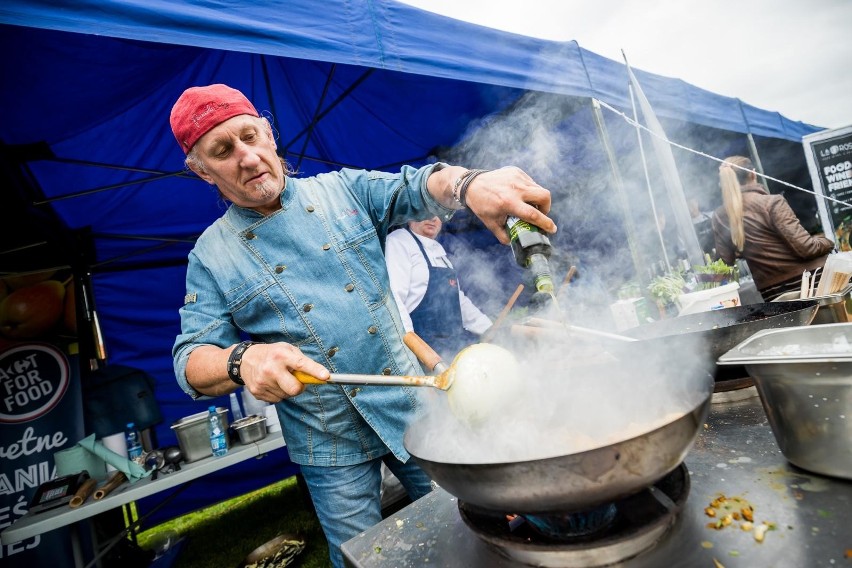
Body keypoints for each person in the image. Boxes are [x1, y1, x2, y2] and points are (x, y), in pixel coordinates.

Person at [168, 84, 556, 567]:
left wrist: (467, 184)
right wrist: (242, 358)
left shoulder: (342, 190)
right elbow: (190, 360)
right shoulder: (210, 255)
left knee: (475, 524)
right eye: (223, 151)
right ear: (202, 170)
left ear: (269, 134)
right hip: (326, 438)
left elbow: (417, 186)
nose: (246, 158)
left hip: (409, 404)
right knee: (364, 557)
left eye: (250, 137)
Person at [711, 156, 834, 298]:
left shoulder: (719, 216)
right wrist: (828, 241)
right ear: (753, 174)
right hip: (809, 284)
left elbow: (722, 267)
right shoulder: (772, 202)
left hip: (772, 293)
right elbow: (807, 249)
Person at [385, 216, 492, 361]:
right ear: (410, 217)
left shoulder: (439, 253)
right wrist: (415, 349)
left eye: (437, 214)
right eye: (425, 211)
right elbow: (394, 299)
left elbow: (459, 300)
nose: (432, 218)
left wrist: (490, 330)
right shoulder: (399, 240)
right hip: (421, 352)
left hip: (453, 349)